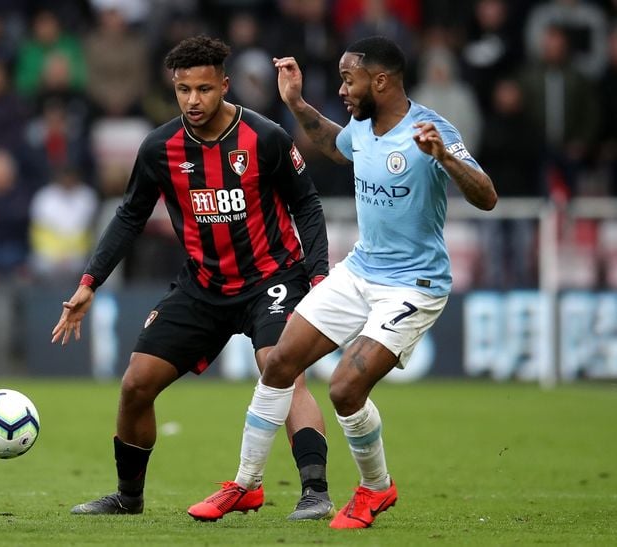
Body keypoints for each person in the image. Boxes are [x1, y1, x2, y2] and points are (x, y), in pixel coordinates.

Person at [189, 36, 497, 528]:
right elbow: (335, 145)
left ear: (381, 81)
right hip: (359, 271)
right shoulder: (362, 127)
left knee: (345, 388)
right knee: (280, 362)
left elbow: (487, 197)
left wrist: (445, 159)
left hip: (412, 285)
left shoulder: (432, 131)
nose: (343, 89)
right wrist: (295, 102)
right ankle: (244, 485)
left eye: (349, 79)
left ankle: (376, 488)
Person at [51, 35, 334, 521]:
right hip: (203, 285)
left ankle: (315, 491)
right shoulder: (161, 148)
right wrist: (89, 283)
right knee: (136, 385)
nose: (193, 101)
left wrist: (320, 273)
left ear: (224, 85)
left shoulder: (264, 138)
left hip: (273, 278)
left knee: (281, 370)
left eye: (204, 89)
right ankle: (128, 497)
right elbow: (129, 217)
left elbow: (306, 203)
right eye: (183, 90)